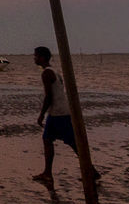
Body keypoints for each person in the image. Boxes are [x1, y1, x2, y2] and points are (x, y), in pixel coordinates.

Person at [32, 46, 99, 186]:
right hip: (60, 112)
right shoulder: (54, 71)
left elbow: (49, 96)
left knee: (71, 143)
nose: (34, 58)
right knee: (50, 139)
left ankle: (50, 173)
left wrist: (41, 114)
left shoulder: (47, 73)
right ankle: (49, 173)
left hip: (58, 113)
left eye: (36, 56)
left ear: (43, 57)